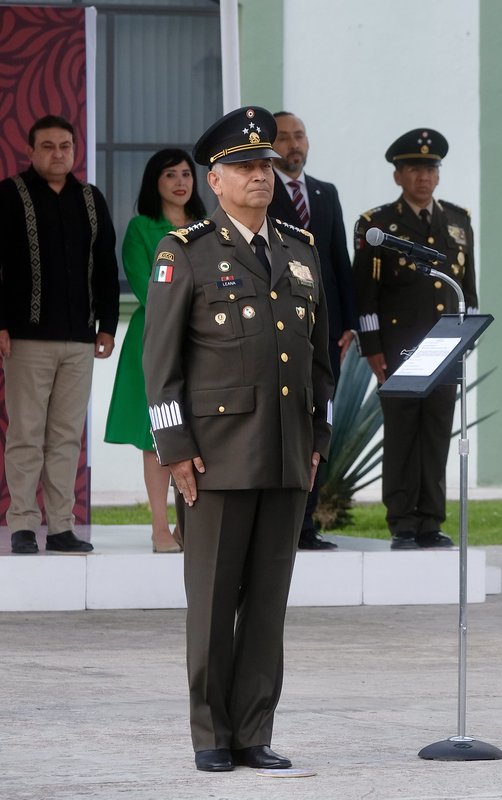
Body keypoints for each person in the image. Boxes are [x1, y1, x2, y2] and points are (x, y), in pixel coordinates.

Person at [142, 106, 334, 772]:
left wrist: (318, 440)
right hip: (214, 460)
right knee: (214, 604)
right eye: (246, 167)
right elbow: (159, 368)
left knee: (267, 606)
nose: (261, 176)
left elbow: (318, 364)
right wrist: (173, 453)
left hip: (285, 455)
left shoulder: (299, 251)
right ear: (214, 180)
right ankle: (211, 735)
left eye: (267, 166)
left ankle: (254, 731)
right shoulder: (185, 252)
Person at [352, 128, 477, 550]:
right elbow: (365, 296)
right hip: (399, 349)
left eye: (430, 168)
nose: (423, 177)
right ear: (398, 176)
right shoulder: (378, 225)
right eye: (413, 169)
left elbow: (468, 289)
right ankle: (403, 522)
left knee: (437, 433)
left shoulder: (458, 221)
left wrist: (466, 339)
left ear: (438, 175)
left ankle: (430, 521)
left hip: (445, 347)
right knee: (403, 434)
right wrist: (372, 350)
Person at [0, 115, 120, 555]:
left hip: (79, 339)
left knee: (67, 436)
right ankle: (24, 527)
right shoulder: (9, 195)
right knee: (26, 434)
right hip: (27, 338)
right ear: (30, 152)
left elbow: (106, 267)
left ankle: (62, 526)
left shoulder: (91, 199)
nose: (57, 153)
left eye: (65, 146)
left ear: (75, 151)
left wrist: (106, 325)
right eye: (47, 146)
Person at [104, 148, 206, 553]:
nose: (181, 182)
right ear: (155, 183)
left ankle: (189, 527)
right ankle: (160, 528)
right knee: (156, 435)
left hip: (201, 340)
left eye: (187, 174)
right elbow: (147, 286)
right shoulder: (141, 228)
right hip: (157, 339)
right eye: (170, 175)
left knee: (195, 432)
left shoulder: (205, 227)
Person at [269, 111, 356, 551]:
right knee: (283, 427)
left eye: (299, 135)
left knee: (319, 425)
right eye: (283, 137)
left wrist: (350, 324)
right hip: (282, 328)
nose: (293, 144)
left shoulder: (325, 193)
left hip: (327, 333)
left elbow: (339, 261)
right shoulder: (261, 192)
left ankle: (306, 525)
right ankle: (280, 524)